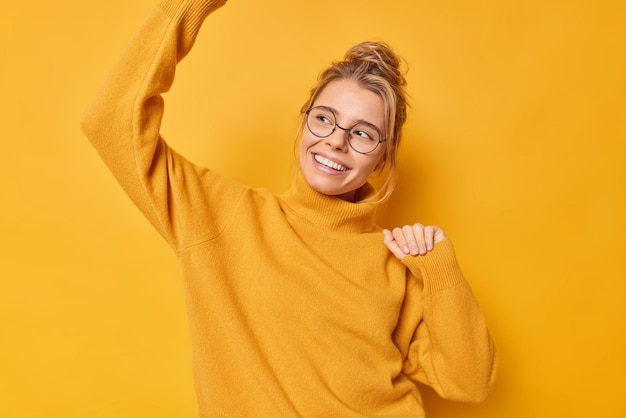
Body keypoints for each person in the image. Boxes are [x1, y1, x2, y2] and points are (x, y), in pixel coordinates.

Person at [82, 0, 497, 416]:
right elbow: (111, 122)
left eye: (364, 133)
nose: (336, 140)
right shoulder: (222, 215)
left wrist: (442, 272)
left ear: (383, 158)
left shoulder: (397, 266)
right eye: (324, 119)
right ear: (304, 123)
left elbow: (470, 381)